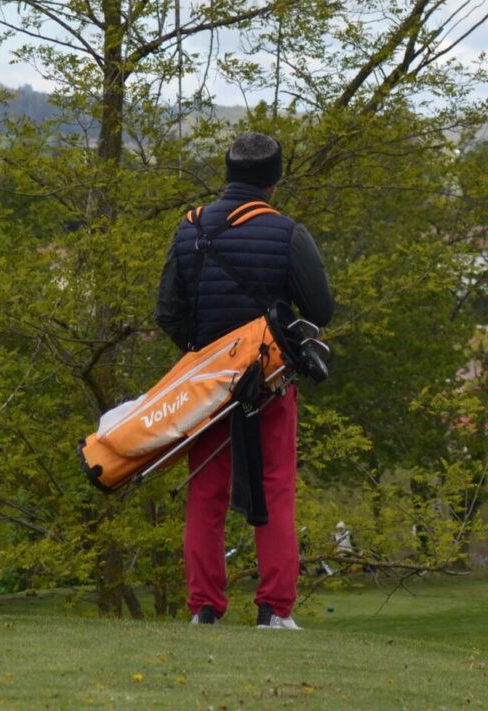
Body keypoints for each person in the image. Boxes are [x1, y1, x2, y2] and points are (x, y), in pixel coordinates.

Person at [157, 133, 334, 629]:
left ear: (228, 172)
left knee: (206, 492)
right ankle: (274, 610)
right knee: (274, 488)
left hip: (206, 385)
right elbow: (320, 310)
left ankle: (205, 607)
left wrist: (207, 357)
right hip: (270, 383)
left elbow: (167, 313)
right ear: (275, 180)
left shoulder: (189, 228)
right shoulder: (287, 233)